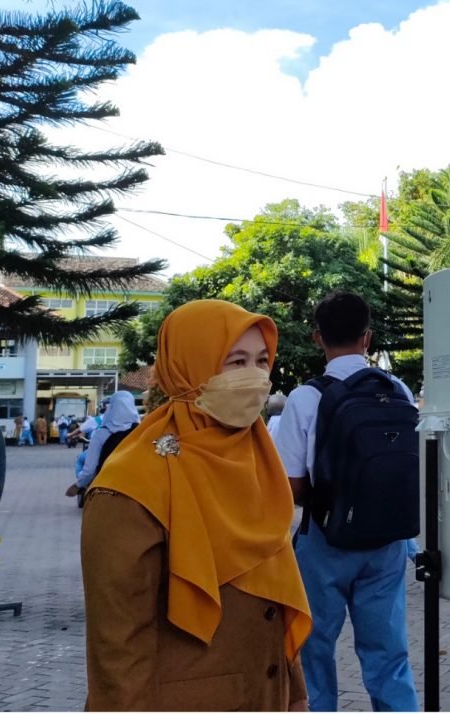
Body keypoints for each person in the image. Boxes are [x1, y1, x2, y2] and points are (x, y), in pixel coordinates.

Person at [81, 299, 312, 711]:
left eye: (262, 361)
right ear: (188, 366)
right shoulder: (130, 485)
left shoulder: (257, 461)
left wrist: (294, 696)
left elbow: (274, 596)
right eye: (235, 362)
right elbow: (118, 649)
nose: (255, 378)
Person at [271, 291, 417, 713]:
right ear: (367, 339)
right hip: (388, 540)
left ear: (318, 338)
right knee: (389, 655)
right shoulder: (399, 389)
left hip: (326, 541)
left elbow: (292, 485)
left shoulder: (305, 397)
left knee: (313, 653)